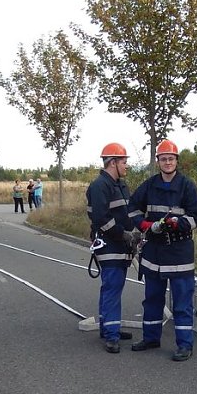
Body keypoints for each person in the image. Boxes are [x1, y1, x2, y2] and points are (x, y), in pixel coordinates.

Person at [129, 139, 197, 361]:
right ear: (158, 161)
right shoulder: (149, 185)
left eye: (171, 159)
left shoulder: (187, 186)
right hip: (154, 252)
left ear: (176, 161)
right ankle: (151, 338)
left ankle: (184, 345)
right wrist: (144, 225)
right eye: (164, 159)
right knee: (152, 299)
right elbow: (132, 209)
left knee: (182, 302)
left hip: (179, 252)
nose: (168, 162)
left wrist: (176, 223)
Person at [86, 143, 138, 353]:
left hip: (121, 244)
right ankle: (111, 335)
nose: (126, 166)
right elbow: (100, 219)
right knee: (112, 289)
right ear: (113, 162)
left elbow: (126, 213)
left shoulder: (120, 185)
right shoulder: (100, 186)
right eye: (124, 162)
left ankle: (109, 327)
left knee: (112, 288)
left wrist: (134, 231)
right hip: (110, 245)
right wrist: (123, 234)